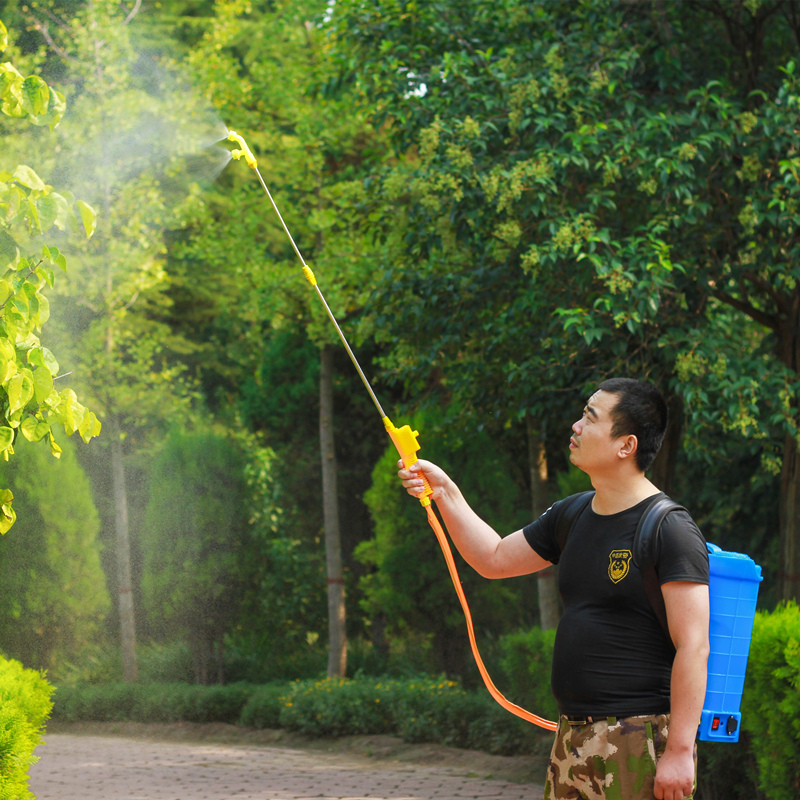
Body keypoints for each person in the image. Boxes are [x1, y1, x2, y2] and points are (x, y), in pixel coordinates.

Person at [398, 378, 710, 800]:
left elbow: (694, 646)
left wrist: (679, 751)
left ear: (626, 445)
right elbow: (493, 558)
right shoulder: (572, 513)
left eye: (590, 418)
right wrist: (445, 491)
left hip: (640, 738)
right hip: (572, 736)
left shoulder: (669, 528)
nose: (576, 426)